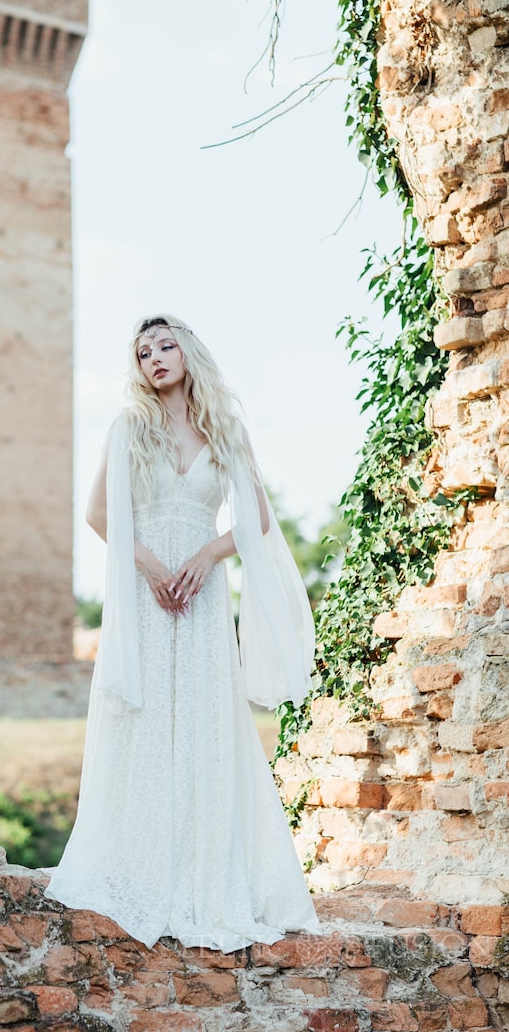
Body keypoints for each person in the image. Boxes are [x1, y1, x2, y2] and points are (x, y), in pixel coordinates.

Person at [45, 315, 322, 951]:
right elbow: (96, 514)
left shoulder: (226, 430)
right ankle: (137, 869)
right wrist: (150, 568)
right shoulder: (127, 427)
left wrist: (204, 557)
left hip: (199, 600)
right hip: (148, 595)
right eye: (143, 352)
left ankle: (206, 877)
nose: (155, 358)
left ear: (188, 353)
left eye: (165, 346)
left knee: (202, 721)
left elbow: (258, 518)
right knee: (144, 720)